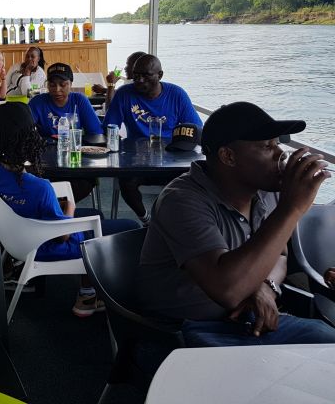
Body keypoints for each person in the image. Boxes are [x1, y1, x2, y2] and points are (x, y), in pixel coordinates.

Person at [138, 101, 335, 348]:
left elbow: (280, 256)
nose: (279, 154)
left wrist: (264, 285)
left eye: (278, 144)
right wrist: (291, 209)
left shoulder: (265, 190)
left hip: (248, 320)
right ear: (228, 156)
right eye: (267, 146)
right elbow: (228, 290)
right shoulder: (181, 200)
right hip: (184, 328)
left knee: (327, 344)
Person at [0, 103, 139, 316]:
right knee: (129, 226)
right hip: (41, 245)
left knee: (96, 215)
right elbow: (63, 236)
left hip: (13, 237)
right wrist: (71, 207)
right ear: (30, 137)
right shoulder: (38, 187)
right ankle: (86, 296)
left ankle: (89, 285)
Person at [103, 54, 202, 223]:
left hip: (171, 159)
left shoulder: (176, 94)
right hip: (137, 161)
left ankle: (177, 223)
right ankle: (147, 220)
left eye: (146, 75)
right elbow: (109, 127)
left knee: (191, 181)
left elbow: (196, 129)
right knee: (126, 181)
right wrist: (118, 144)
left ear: (160, 75)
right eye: (136, 75)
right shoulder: (125, 94)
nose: (140, 80)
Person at [28, 63, 104, 202]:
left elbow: (96, 133)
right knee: (33, 181)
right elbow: (25, 131)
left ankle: (57, 211)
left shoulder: (79, 101)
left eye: (63, 84)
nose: (57, 90)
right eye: (52, 85)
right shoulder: (38, 102)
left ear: (71, 84)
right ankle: (59, 212)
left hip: (75, 163)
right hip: (46, 164)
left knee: (85, 182)